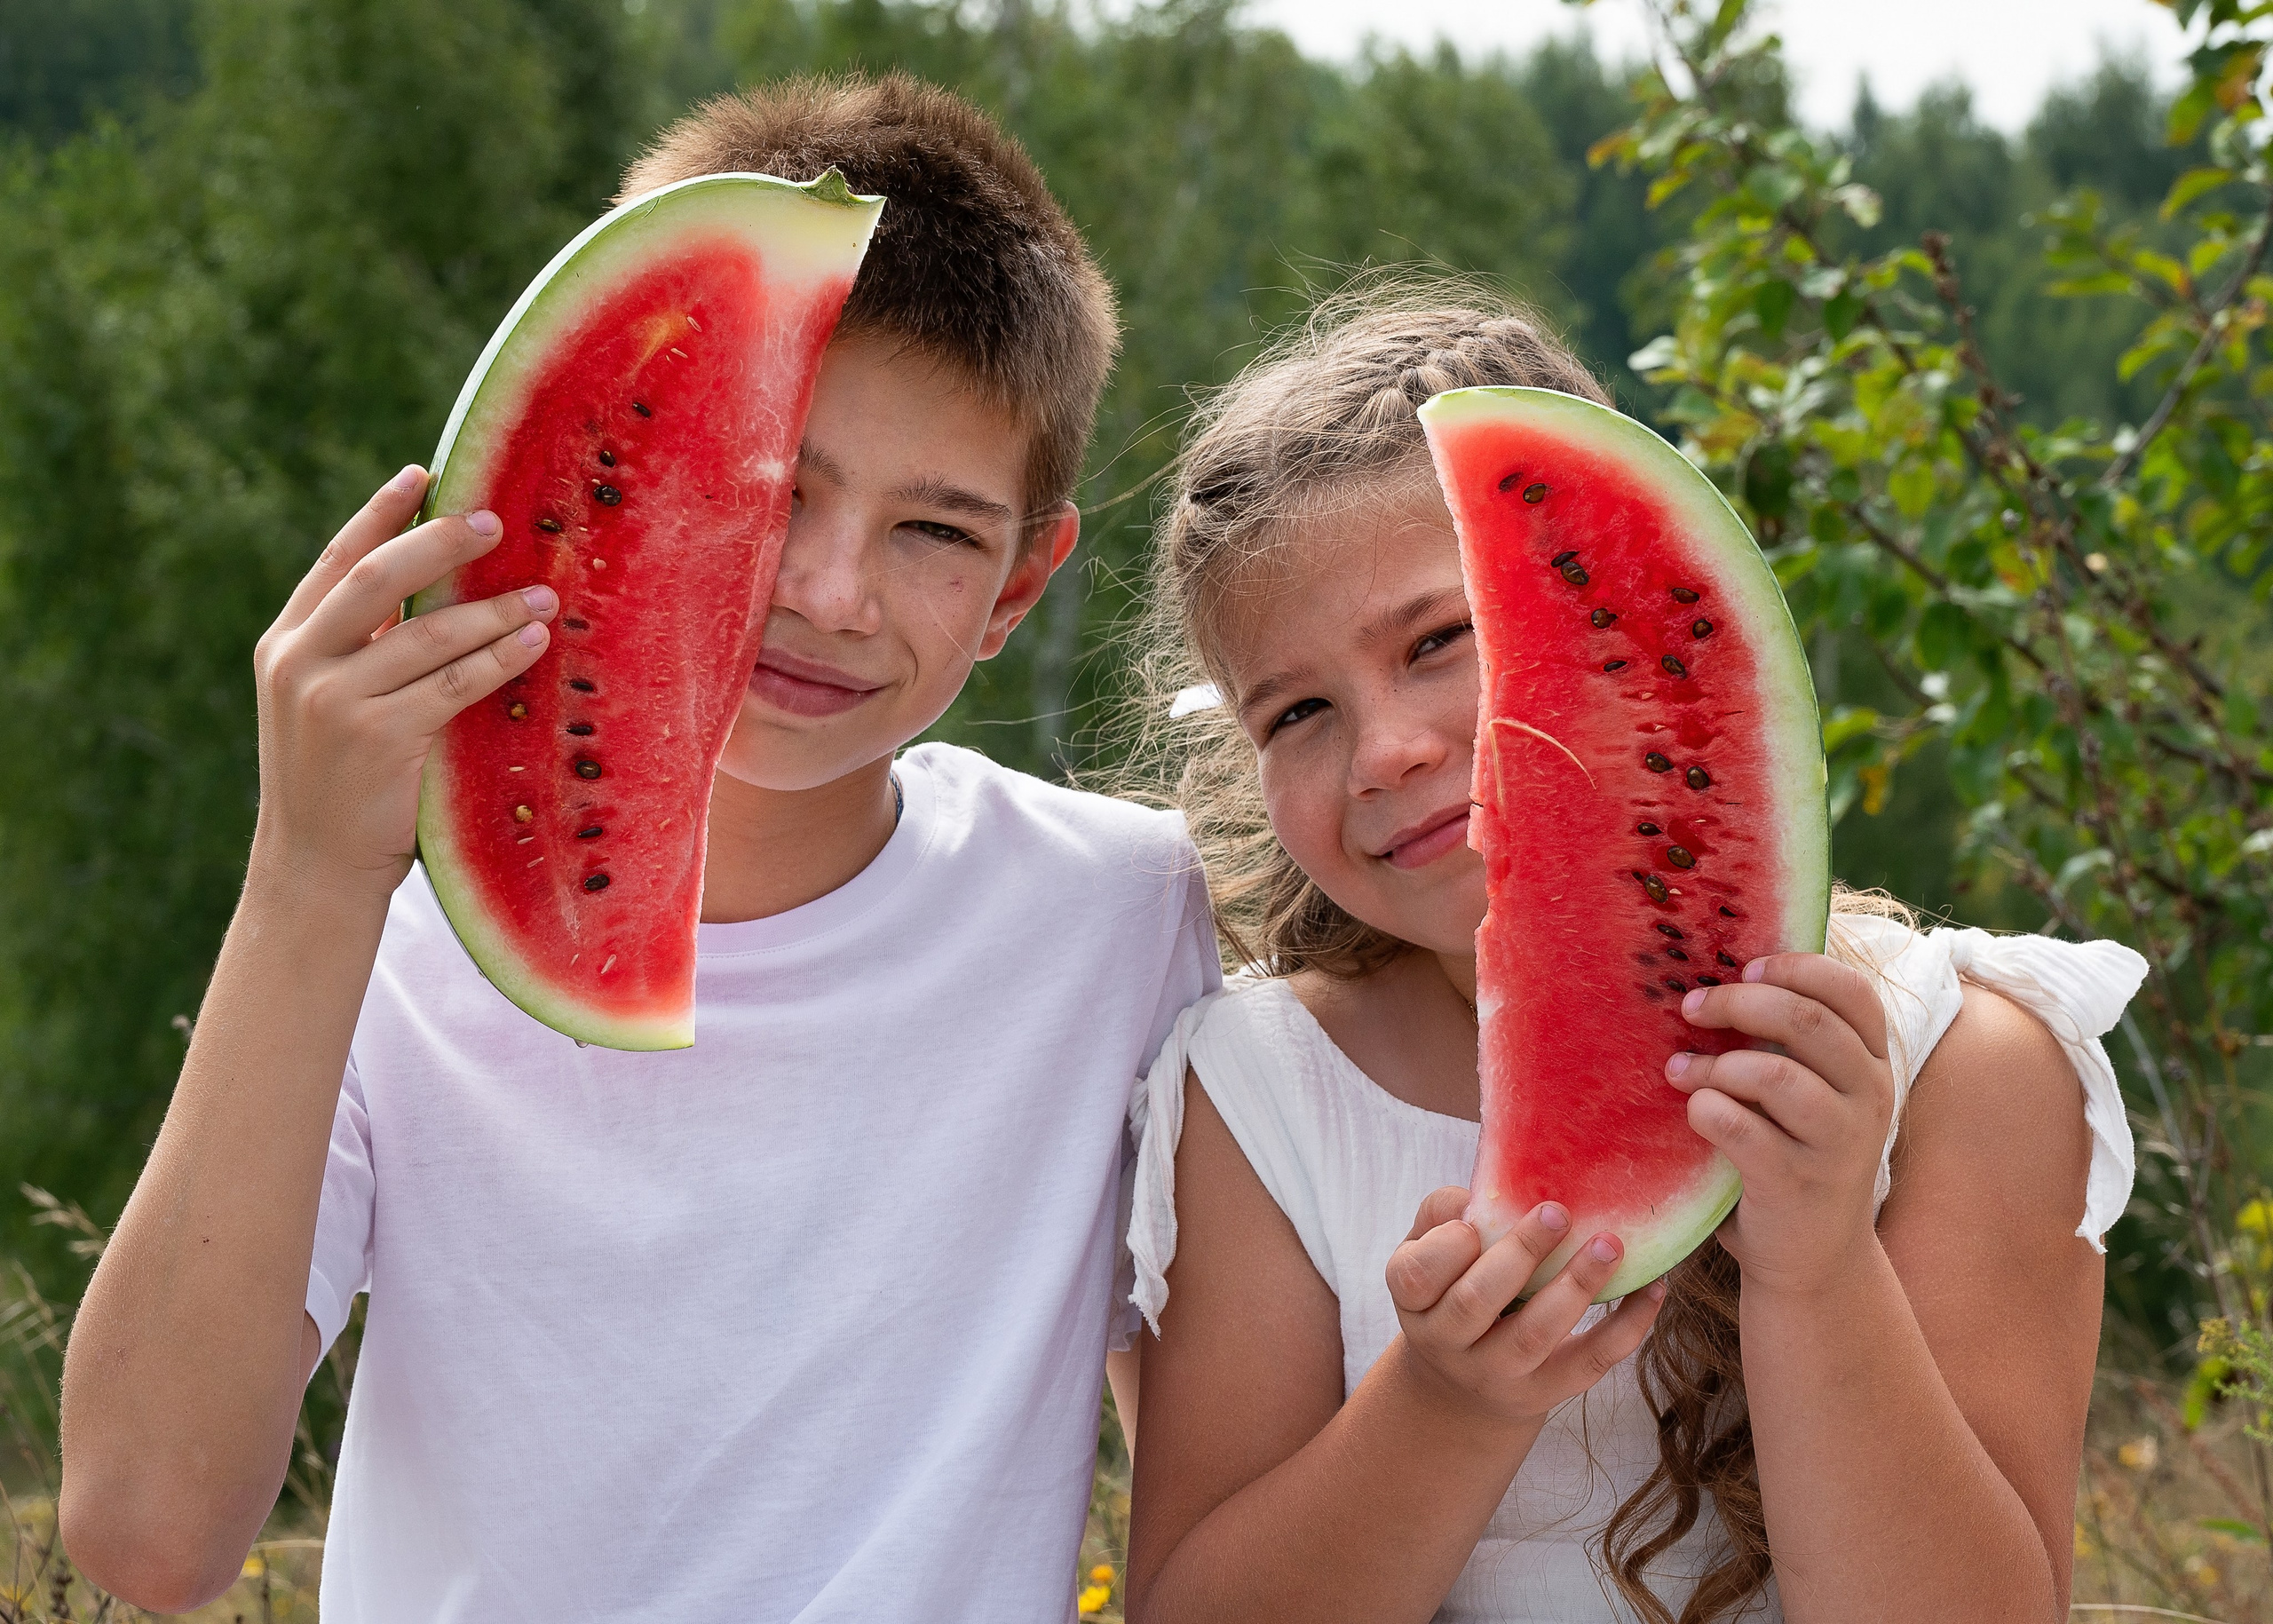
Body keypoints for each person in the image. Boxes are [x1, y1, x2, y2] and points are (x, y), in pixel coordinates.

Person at [60, 75, 1214, 1620]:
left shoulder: (1123, 918)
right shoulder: (384, 951)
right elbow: (147, 1532)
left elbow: (1216, 1521)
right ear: (617, 488)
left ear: (1021, 586)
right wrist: (305, 874)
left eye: (934, 530)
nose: (831, 591)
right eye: (764, 489)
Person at [1112, 280, 2148, 1624]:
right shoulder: (1256, 1095)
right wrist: (1442, 1404)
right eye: (1297, 710)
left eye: (1438, 641)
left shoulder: (1966, 1060)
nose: (1385, 752)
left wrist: (1819, 1262)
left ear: (1625, 634)